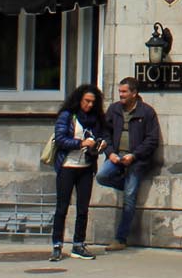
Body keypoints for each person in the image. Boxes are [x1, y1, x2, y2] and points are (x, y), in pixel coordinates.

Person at [96, 77, 162, 250]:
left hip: (136, 161)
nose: (121, 95)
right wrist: (109, 153)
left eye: (124, 92)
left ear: (134, 93)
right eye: (120, 92)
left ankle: (120, 239)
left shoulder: (147, 112)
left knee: (129, 200)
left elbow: (152, 140)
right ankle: (126, 185)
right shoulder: (114, 109)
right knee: (102, 176)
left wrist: (134, 155)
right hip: (116, 158)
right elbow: (105, 132)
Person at [49, 83, 106, 261]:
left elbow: (103, 135)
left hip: (86, 167)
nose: (89, 105)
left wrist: (101, 144)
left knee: (83, 208)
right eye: (86, 101)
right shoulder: (68, 116)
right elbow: (60, 140)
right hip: (67, 166)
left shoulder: (96, 118)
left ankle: (78, 244)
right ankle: (57, 244)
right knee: (62, 207)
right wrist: (80, 143)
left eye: (92, 102)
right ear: (79, 100)